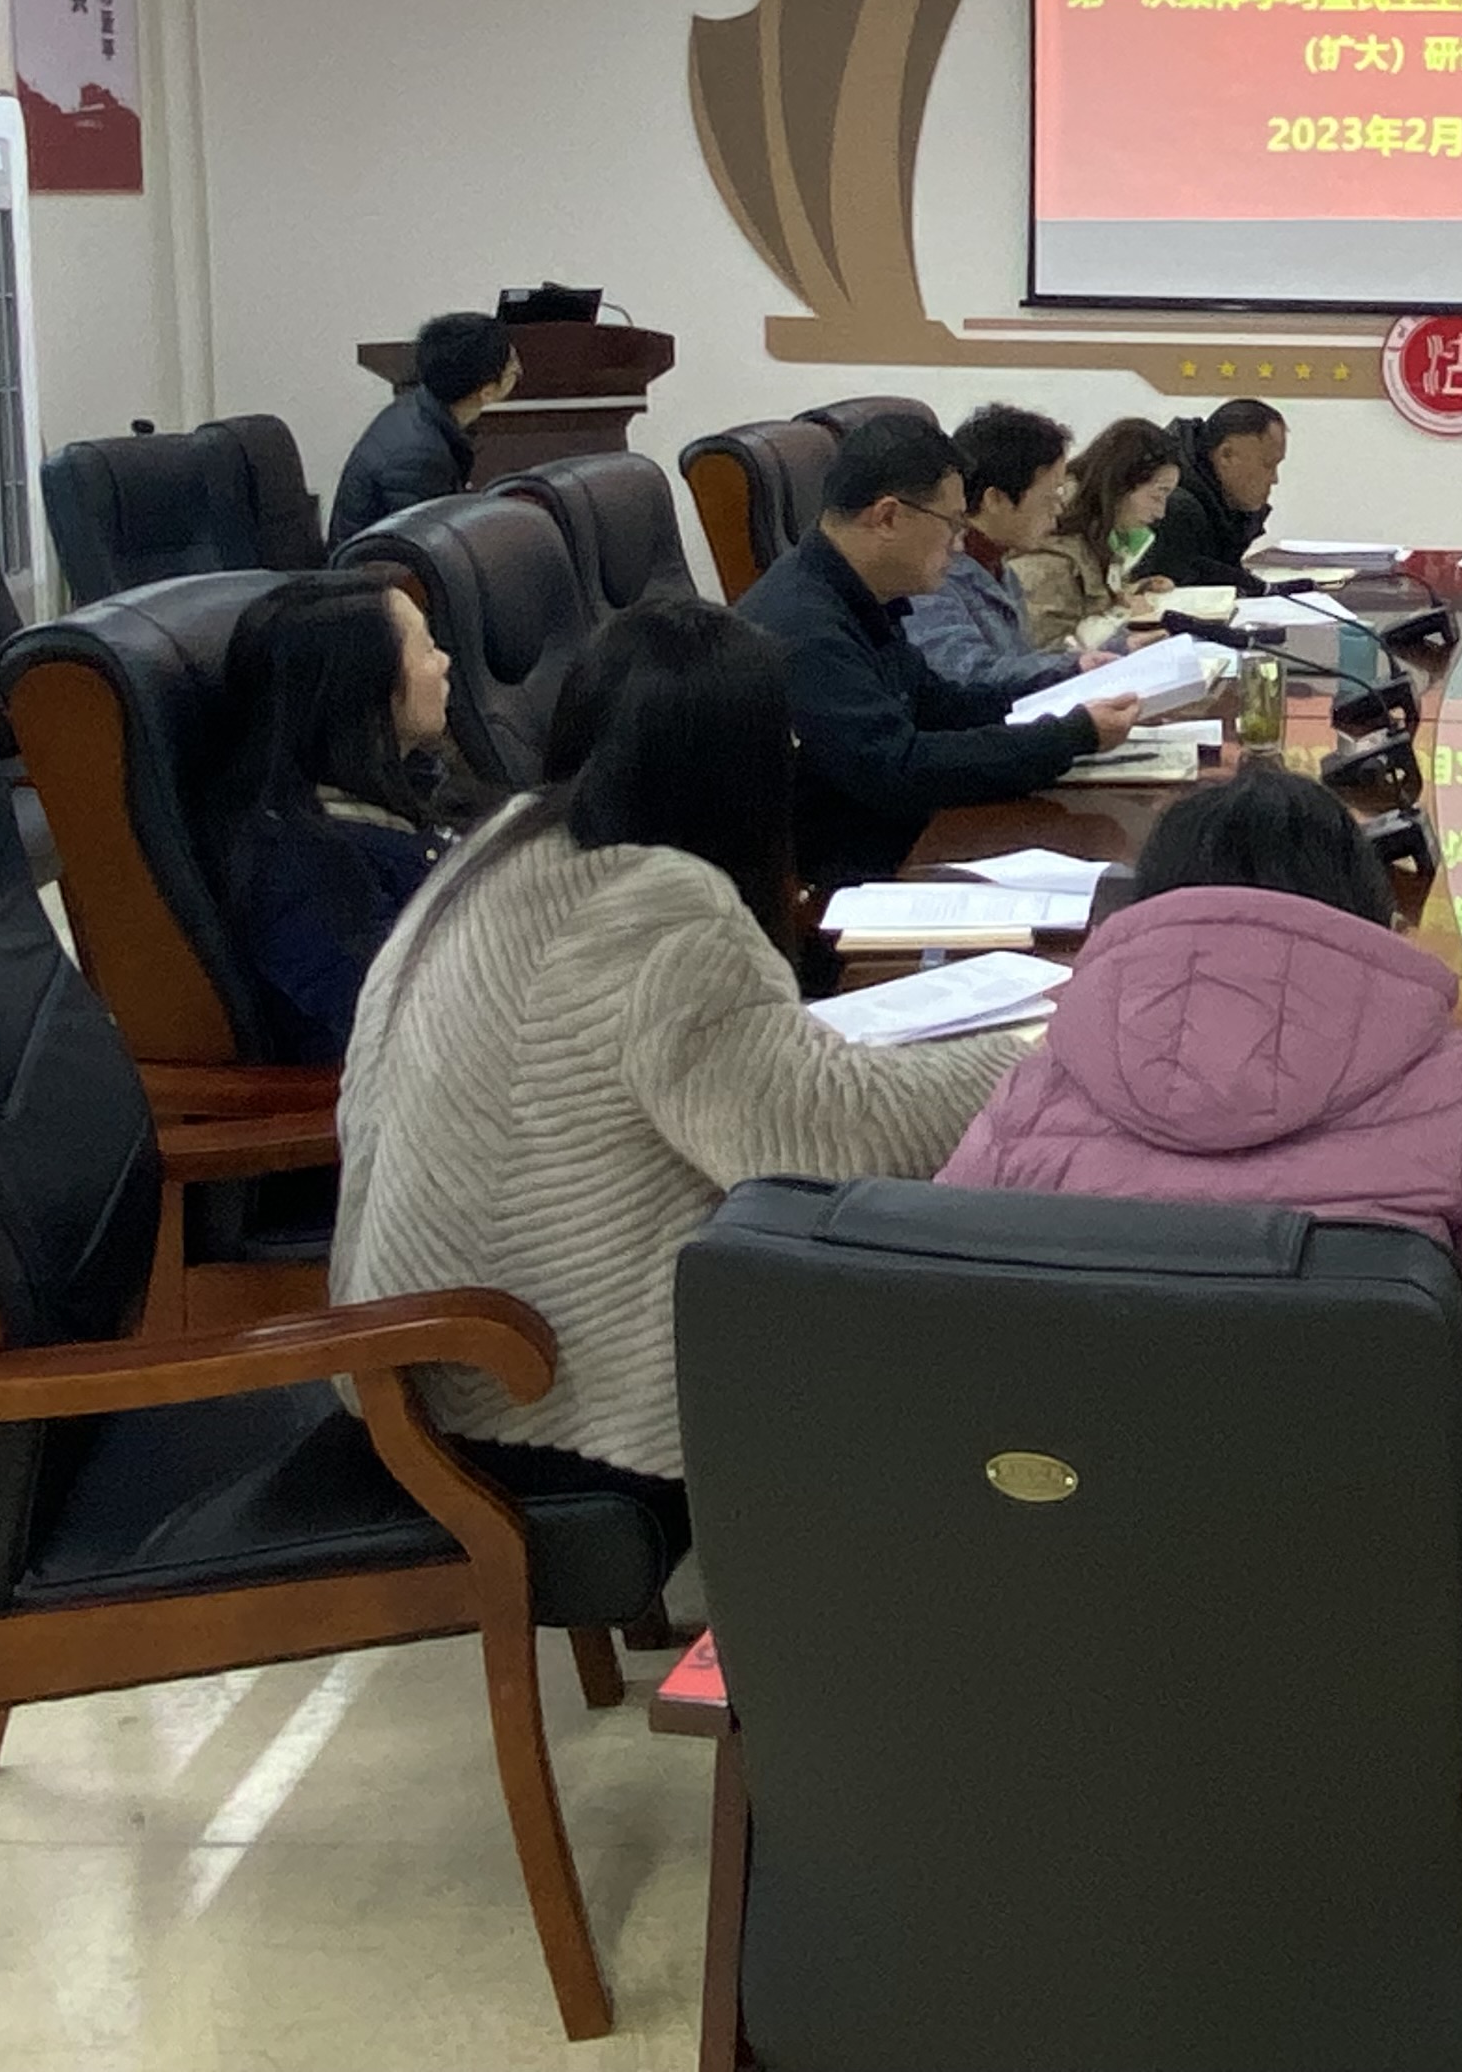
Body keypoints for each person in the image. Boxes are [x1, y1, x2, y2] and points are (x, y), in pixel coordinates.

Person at [330, 598, 1044, 1520]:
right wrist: (1029, 1056)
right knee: (986, 1325)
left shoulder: (505, 845)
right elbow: (823, 1135)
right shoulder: (656, 908)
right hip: (531, 1395)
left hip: (428, 1349)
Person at [941, 766, 1462, 1426]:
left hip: (1079, 1504)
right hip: (1360, 1512)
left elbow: (930, 1319)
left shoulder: (1044, 1081)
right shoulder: (1455, 1087)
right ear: (1373, 915)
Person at [735, 410, 1144, 886]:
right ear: (888, 517)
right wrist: (1069, 737)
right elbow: (900, 768)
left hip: (899, 838)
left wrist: (1065, 683)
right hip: (848, 877)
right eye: (952, 524)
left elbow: (941, 704)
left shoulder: (858, 592)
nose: (959, 545)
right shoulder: (805, 626)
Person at [197, 569, 466, 1065]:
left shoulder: (408, 784)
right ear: (363, 690)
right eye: (427, 649)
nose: (444, 662)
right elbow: (407, 1021)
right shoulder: (295, 867)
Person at [901, 404, 1104, 698]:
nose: (1058, 509)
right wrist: (1074, 667)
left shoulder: (999, 568)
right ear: (995, 499)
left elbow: (1020, 666)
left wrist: (1118, 652)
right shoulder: (930, 577)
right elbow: (969, 675)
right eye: (1050, 495)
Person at [329, 310, 519, 541]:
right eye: (512, 368)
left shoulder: (421, 408)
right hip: (380, 562)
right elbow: (426, 546)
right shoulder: (417, 456)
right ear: (486, 392)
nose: (519, 371)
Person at [1009, 418, 1182, 652]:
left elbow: (1084, 605)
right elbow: (1047, 650)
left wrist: (1135, 591)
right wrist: (1122, 622)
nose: (1161, 512)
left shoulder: (1098, 535)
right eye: (1157, 495)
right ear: (1120, 483)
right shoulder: (1049, 553)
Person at [1146, 398, 1289, 594]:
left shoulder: (1226, 500)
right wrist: (1265, 589)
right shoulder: (1171, 506)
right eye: (1268, 465)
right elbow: (1195, 586)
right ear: (1226, 455)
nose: (1274, 479)